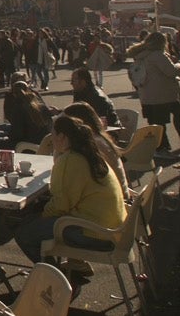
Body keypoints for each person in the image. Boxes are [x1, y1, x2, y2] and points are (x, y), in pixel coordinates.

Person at [13, 112, 126, 270]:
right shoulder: (92, 155)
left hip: (94, 233)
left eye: (53, 135)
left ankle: (53, 278)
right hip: (114, 228)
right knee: (35, 222)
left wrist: (39, 217)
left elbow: (61, 205)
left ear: (63, 137)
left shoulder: (70, 161)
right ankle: (70, 267)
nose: (51, 140)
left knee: (24, 233)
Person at [129, 30, 180, 149]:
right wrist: (179, 65)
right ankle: (168, 146)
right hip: (163, 93)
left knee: (160, 121)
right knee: (177, 116)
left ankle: (166, 146)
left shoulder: (141, 55)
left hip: (149, 94)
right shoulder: (157, 55)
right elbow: (171, 72)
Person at [3, 77, 53, 147]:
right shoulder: (39, 104)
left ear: (14, 94)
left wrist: (8, 137)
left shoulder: (19, 107)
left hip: (27, 142)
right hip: (44, 140)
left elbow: (17, 133)